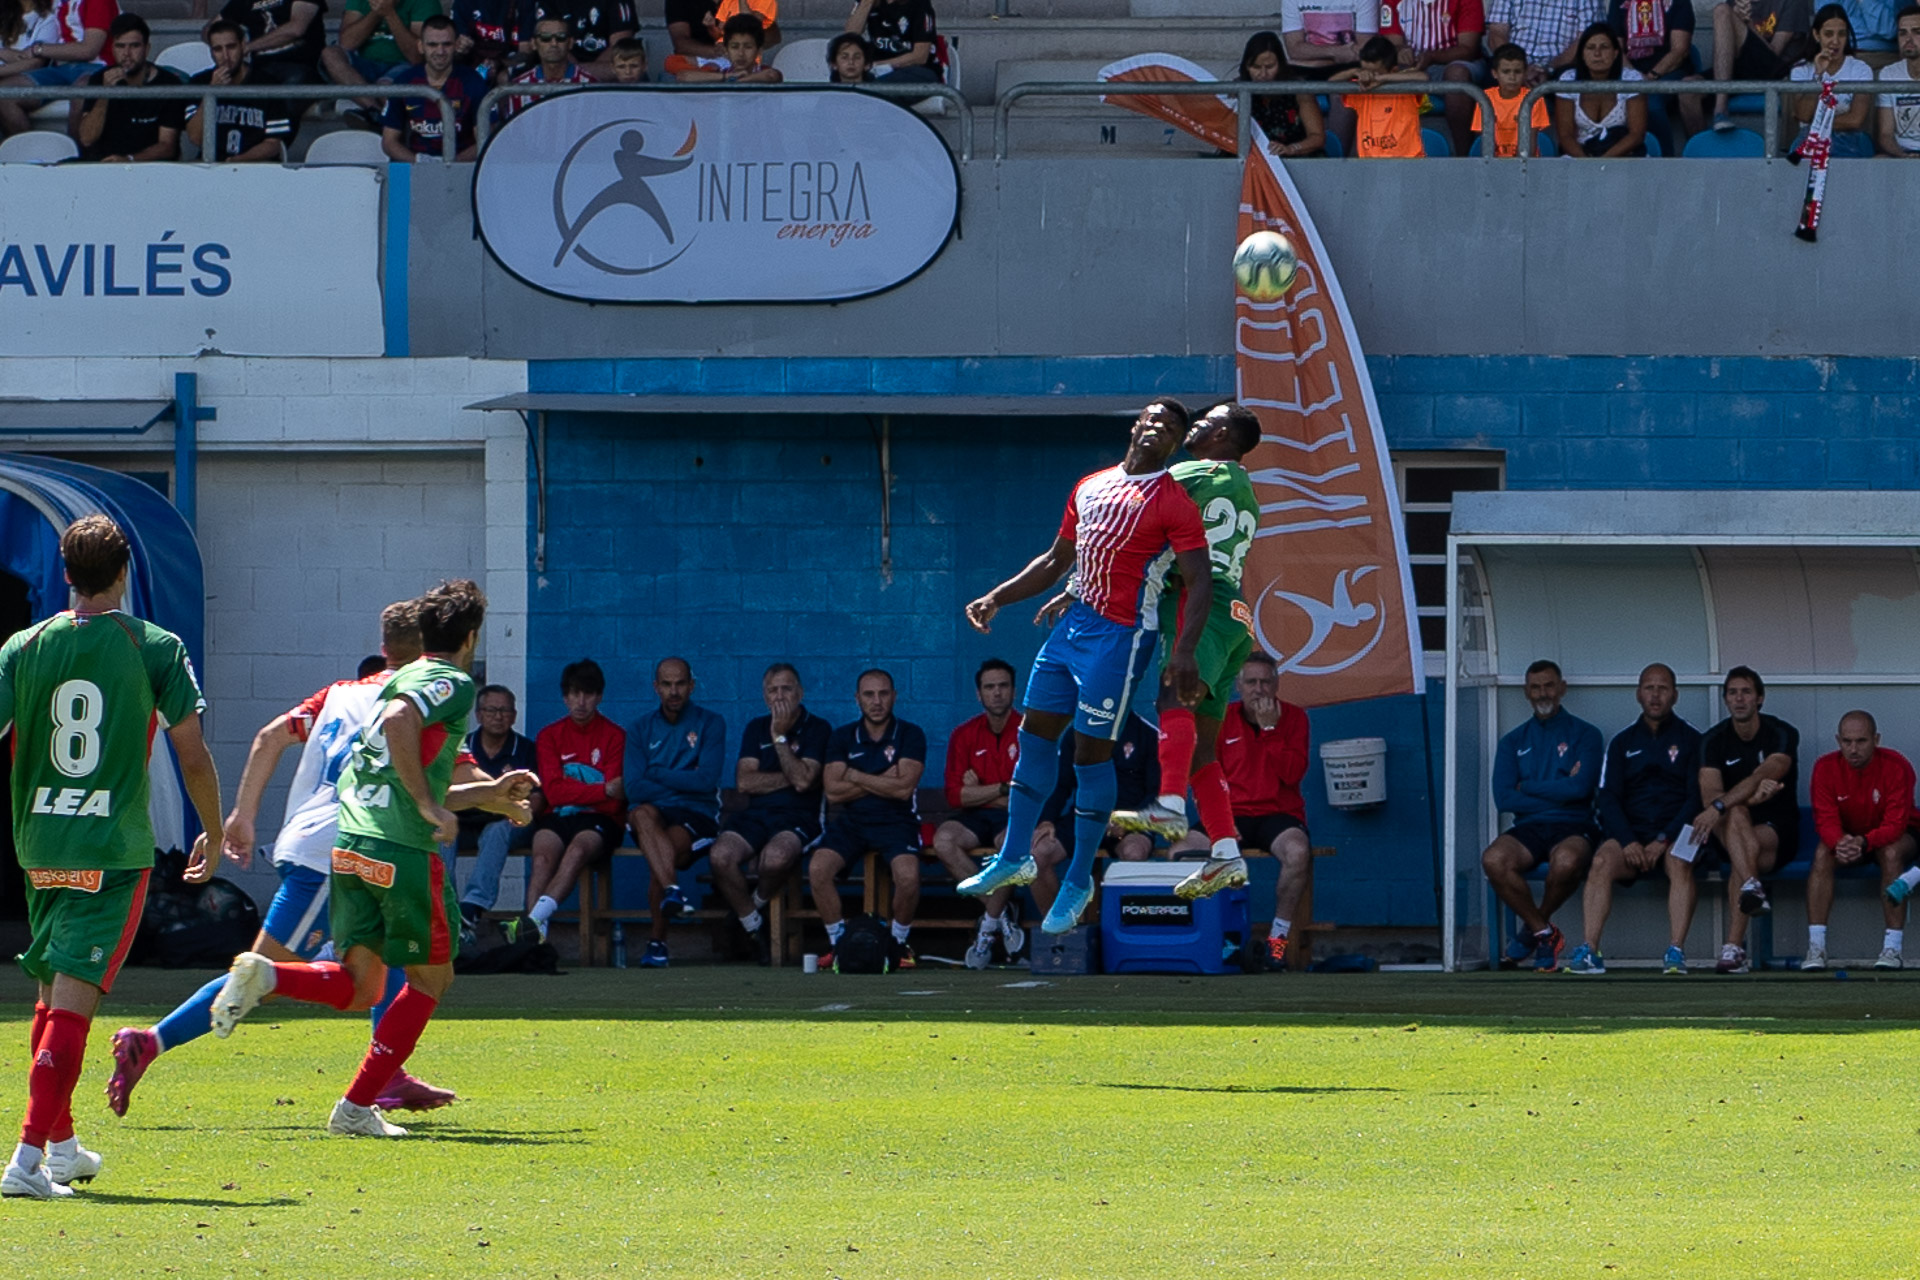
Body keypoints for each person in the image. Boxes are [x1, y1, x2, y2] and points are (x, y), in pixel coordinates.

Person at [107, 603, 476, 1118]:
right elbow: (453, 779)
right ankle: (149, 1041)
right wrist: (501, 793)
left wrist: (243, 815)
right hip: (340, 845)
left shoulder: (339, 694)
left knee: (388, 956)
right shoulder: (421, 699)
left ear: (385, 646)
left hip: (322, 841)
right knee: (263, 973)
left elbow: (269, 737)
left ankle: (387, 1075)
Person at [210, 580, 527, 1139]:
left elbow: (401, 769)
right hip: (400, 850)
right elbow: (404, 729)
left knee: (363, 986)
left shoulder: (393, 680)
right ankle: (357, 1104)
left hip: (351, 843)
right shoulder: (450, 682)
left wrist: (491, 792)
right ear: (471, 636)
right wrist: (430, 803)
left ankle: (268, 974)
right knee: (433, 978)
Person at [0, 516, 223, 1199]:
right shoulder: (154, 645)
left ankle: (63, 1149)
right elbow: (191, 752)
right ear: (123, 571)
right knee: (70, 1003)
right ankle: (26, 1161)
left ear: (65, 573)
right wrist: (211, 829)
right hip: (110, 849)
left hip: (41, 846)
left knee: (49, 993)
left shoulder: (22, 646)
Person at [957, 401, 1212, 936]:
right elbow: (1055, 560)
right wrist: (996, 598)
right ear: (1135, 426)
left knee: (1089, 753)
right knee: (1034, 736)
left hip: (1122, 638)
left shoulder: (1174, 502)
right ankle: (1013, 857)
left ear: (1176, 443)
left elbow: (1199, 579)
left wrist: (1185, 649)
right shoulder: (1090, 485)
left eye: (1172, 428)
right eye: (1153, 420)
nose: (1159, 429)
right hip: (1072, 630)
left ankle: (1077, 878)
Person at [1108, 402, 1265, 905]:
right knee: (1201, 748)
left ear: (1221, 433)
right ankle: (1225, 851)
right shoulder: (1245, 490)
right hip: (1237, 613)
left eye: (1204, 419)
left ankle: (1170, 806)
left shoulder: (1189, 472)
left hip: (1202, 603)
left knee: (1173, 698)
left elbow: (1133, 498)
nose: (1192, 424)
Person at [1563, 663, 1700, 975]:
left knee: (1680, 861)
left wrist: (1663, 838)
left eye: (1662, 688)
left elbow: (1697, 798)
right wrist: (1628, 841)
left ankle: (1675, 952)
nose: (1655, 695)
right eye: (1649, 688)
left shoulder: (1693, 739)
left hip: (1679, 830)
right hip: (1632, 833)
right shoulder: (1622, 742)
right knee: (1600, 862)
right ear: (1638, 694)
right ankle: (1589, 951)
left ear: (1675, 696)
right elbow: (1607, 797)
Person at [1668, 665, 1798, 975]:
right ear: (1726, 699)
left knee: (1742, 834)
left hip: (1774, 831)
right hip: (1725, 830)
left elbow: (1766, 773)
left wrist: (1726, 804)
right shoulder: (1712, 740)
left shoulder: (1781, 732)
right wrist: (1735, 802)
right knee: (1729, 828)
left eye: (1746, 692)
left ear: (1760, 699)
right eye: (1732, 693)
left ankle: (1734, 945)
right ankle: (1699, 947)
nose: (1739, 699)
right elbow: (1710, 792)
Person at [1481, 659, 1602, 972]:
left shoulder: (1586, 734)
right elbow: (1504, 797)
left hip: (1574, 826)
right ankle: (1544, 932)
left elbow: (1581, 789)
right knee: (1494, 860)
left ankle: (1529, 931)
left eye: (1549, 686)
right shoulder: (1512, 741)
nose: (1542, 693)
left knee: (1567, 862)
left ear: (1561, 689)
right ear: (1526, 692)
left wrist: (1530, 787)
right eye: (1535, 687)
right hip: (1529, 827)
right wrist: (1560, 791)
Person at [709, 663, 832, 965]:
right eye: (773, 690)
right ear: (764, 696)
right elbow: (744, 781)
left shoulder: (818, 728)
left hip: (799, 818)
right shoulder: (754, 727)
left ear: (800, 693)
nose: (780, 696)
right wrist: (791, 774)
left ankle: (748, 910)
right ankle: (754, 926)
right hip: (755, 816)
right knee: (720, 856)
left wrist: (778, 737)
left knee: (775, 858)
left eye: (787, 688)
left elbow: (806, 782)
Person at [809, 670, 928, 966]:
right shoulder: (842, 736)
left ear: (894, 696)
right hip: (852, 823)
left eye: (883, 694)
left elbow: (902, 790)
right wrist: (882, 779)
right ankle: (839, 945)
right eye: (869, 694)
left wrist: (854, 774)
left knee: (909, 877)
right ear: (857, 698)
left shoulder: (910, 734)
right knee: (818, 868)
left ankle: (898, 945)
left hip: (897, 821)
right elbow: (833, 792)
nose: (877, 701)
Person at [514, 658, 626, 945]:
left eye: (588, 694)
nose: (581, 701)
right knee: (542, 857)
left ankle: (534, 920)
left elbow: (616, 802)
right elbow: (554, 793)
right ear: (565, 697)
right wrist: (601, 790)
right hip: (559, 816)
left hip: (601, 820)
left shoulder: (615, 736)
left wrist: (584, 792)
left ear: (599, 696)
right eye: (574, 694)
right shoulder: (549, 736)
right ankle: (534, 943)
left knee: (576, 851)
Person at [625, 656, 726, 969]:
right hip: (654, 811)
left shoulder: (711, 723)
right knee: (641, 815)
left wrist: (657, 772)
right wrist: (683, 780)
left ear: (691, 686)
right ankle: (673, 892)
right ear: (656, 687)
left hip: (696, 813)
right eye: (666, 684)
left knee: (662, 850)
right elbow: (633, 788)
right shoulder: (640, 729)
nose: (673, 691)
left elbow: (706, 780)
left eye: (680, 683)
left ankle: (658, 943)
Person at [1213, 654, 1312, 970]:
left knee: (1298, 852)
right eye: (1251, 682)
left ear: (1276, 684)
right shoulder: (1221, 719)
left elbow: (1292, 774)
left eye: (1265, 682)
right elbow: (1206, 777)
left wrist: (1270, 731)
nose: (1258, 689)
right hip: (1232, 813)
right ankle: (1223, 941)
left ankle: (1277, 943)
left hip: (1277, 813)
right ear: (1239, 685)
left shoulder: (1295, 718)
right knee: (1184, 850)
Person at [935, 660, 1031, 969]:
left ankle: (987, 926)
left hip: (1013, 817)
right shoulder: (963, 734)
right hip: (974, 817)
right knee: (944, 839)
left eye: (1003, 686)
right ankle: (1001, 914)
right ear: (979, 694)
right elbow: (954, 796)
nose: (997, 693)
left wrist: (984, 790)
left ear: (1014, 691)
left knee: (1012, 845)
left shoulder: (1029, 731)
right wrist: (1003, 788)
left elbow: (1028, 793)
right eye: (990, 687)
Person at [1803, 711, 1914, 970]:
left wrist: (1863, 842)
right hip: (1849, 838)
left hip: (1895, 836)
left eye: (1861, 741)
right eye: (1846, 741)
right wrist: (1839, 843)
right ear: (1837, 740)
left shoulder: (1897, 766)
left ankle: (1893, 949)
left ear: (1876, 739)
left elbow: (1895, 824)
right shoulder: (1825, 767)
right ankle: (1816, 948)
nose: (1853, 749)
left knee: (1891, 854)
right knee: (1822, 853)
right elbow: (1825, 818)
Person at [453, 684, 542, 942]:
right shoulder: (463, 747)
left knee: (499, 829)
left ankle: (471, 908)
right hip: (464, 820)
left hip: (507, 823)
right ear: (479, 714)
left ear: (514, 716)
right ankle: (446, 907)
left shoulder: (525, 749)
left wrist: (522, 814)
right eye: (491, 710)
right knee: (441, 830)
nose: (498, 716)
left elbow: (537, 797)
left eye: (504, 710)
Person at [73, 14, 183, 162]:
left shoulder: (168, 83)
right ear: (112, 48)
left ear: (147, 48)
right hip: (104, 167)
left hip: (150, 170)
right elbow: (87, 138)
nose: (127, 54)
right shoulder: (99, 79)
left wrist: (129, 159)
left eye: (134, 46)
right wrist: (105, 94)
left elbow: (167, 146)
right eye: (120, 46)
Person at [1381, 0, 1487, 152]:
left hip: (1454, 62)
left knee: (1457, 75)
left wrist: (1431, 57)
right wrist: (1401, 51)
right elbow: (1391, 42)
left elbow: (1468, 49)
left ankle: (1463, 156)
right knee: (1376, 72)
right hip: (1411, 65)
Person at [0, 0, 115, 139]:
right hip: (60, 69)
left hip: (96, 67)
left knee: (82, 90)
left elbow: (89, 50)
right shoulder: (58, 3)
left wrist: (39, 49)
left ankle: (77, 157)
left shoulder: (98, 2)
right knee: (5, 93)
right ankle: (30, 152)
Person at [185, 19, 295, 162]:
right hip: (212, 166)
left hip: (255, 167)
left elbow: (273, 144)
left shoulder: (268, 83)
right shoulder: (199, 83)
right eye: (218, 49)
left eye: (231, 47)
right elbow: (195, 138)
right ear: (211, 52)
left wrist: (238, 161)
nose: (225, 56)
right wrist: (211, 92)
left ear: (243, 46)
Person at [381, 16, 486, 162]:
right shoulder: (404, 82)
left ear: (456, 46)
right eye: (432, 45)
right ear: (420, 46)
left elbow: (484, 140)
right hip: (416, 167)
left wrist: (450, 165)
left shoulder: (473, 82)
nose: (440, 51)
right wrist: (419, 161)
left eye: (446, 44)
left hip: (463, 169)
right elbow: (388, 142)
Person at [1706, 0, 1811, 130]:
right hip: (1743, 67)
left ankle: (1720, 110)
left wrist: (1747, 23)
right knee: (1688, 94)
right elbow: (1725, 55)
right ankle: (1703, 147)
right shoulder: (1736, 2)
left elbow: (1775, 52)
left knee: (1721, 10)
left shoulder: (1793, 2)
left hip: (1776, 70)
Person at [1788, 4, 1876, 156]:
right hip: (1810, 139)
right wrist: (1818, 76)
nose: (1835, 41)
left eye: (1841, 34)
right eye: (1828, 34)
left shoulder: (1860, 69)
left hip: (1849, 138)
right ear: (1817, 35)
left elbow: (1855, 119)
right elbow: (1802, 114)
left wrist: (1817, 124)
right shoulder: (1801, 70)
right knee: (1795, 164)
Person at [319, 0, 436, 111]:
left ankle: (381, 118)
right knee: (330, 53)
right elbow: (346, 43)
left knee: (384, 87)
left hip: (404, 66)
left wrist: (390, 14)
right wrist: (376, 12)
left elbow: (417, 56)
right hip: (366, 65)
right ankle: (374, 111)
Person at [1607, 0, 1695, 146]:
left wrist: (1651, 77)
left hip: (1670, 72)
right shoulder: (1618, 2)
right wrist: (1635, 77)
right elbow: (1614, 48)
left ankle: (1663, 160)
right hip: (1629, 72)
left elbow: (1680, 50)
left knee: (1650, 102)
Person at [1554, 23, 1649, 156]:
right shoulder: (1568, 79)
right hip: (1580, 156)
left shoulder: (1631, 78)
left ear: (1615, 53)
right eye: (1591, 48)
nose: (1597, 54)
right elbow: (1565, 135)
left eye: (1604, 47)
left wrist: (1603, 162)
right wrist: (1587, 164)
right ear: (1582, 54)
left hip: (1622, 154)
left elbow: (1636, 134)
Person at [1329, 36, 1430, 156]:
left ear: (1393, 71)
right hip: (1371, 167)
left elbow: (1423, 78)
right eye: (1366, 71)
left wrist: (1381, 79)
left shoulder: (1405, 90)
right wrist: (1354, 72)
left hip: (1407, 165)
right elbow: (1331, 84)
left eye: (1375, 73)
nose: (1369, 77)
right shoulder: (1363, 90)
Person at [1236, 31, 1327, 156]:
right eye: (1256, 67)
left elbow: (1317, 137)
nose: (1263, 74)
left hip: (1295, 160)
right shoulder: (1237, 90)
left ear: (1280, 65)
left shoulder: (1298, 90)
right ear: (1246, 66)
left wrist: (1291, 149)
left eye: (1269, 67)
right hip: (1252, 160)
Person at [211, 0, 325, 85]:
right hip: (260, 68)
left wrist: (247, 47)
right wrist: (230, 49)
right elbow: (211, 29)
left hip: (299, 63)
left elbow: (296, 29)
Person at [1486, 0, 1602, 82]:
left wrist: (1549, 69)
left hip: (1561, 67)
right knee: (1493, 76)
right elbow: (1497, 33)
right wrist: (1520, 68)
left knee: (1570, 79)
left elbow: (1586, 40)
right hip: (1513, 63)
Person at [1472, 42, 1553, 152]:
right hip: (1493, 163)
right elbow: (1483, 140)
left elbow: (1532, 142)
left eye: (1517, 72)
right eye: (1506, 72)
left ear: (1525, 73)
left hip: (1525, 163)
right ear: (1494, 73)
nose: (1512, 77)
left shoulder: (1534, 99)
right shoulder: (1485, 98)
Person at [504, 16, 590, 116]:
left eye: (561, 37)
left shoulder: (590, 84)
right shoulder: (518, 88)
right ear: (534, 44)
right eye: (545, 37)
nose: (554, 43)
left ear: (570, 43)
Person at [531, 0, 635, 78]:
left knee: (628, 70)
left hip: (609, 68)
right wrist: (578, 74)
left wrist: (585, 76)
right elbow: (551, 42)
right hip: (564, 69)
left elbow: (621, 45)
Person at [664, 12, 780, 80]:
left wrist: (736, 81)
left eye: (748, 47)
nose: (741, 53)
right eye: (734, 47)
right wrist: (726, 77)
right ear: (725, 50)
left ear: (759, 50)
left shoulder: (763, 71)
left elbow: (772, 75)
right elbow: (683, 76)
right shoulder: (721, 72)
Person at [844, 0, 937, 82]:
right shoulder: (870, 4)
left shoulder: (919, 4)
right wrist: (867, 2)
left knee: (875, 88)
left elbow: (920, 56)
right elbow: (850, 36)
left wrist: (877, 65)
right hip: (878, 70)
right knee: (845, 78)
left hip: (913, 70)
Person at [1875, 4, 1920, 153]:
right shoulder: (1888, 74)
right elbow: (1885, 135)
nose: (1908, 39)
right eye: (1902, 33)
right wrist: (1904, 157)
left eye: (1916, 32)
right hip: (1901, 154)